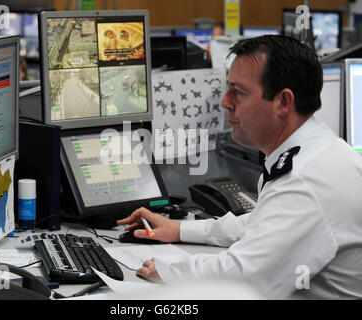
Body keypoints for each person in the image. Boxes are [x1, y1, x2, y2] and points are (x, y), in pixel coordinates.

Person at [118, 35, 362, 299]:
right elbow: (263, 223)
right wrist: (179, 229)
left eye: (239, 92)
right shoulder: (316, 149)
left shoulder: (305, 182)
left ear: (283, 102)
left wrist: (167, 270)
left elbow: (244, 281)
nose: (225, 101)